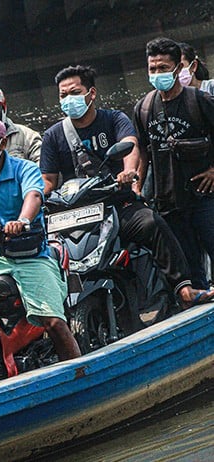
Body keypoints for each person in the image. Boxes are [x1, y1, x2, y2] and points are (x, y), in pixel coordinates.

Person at [41, 64, 212, 308]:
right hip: (74, 216)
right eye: (63, 95)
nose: (69, 100)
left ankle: (183, 288)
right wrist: (37, 199)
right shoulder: (53, 135)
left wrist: (128, 172)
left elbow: (130, 145)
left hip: (116, 205)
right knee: (49, 253)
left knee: (152, 223)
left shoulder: (113, 119)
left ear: (91, 93)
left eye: (74, 93)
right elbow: (47, 180)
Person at [0, 115, 81, 361]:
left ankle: (79, 371)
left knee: (52, 321)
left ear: (2, 143)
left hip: (30, 255)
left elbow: (34, 196)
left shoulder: (25, 169)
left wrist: (22, 221)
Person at [133, 37, 214, 293]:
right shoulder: (144, 108)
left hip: (205, 197)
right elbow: (143, 152)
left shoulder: (199, 101)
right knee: (190, 268)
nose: (157, 74)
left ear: (178, 69)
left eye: (163, 68)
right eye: (152, 69)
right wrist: (137, 185)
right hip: (168, 201)